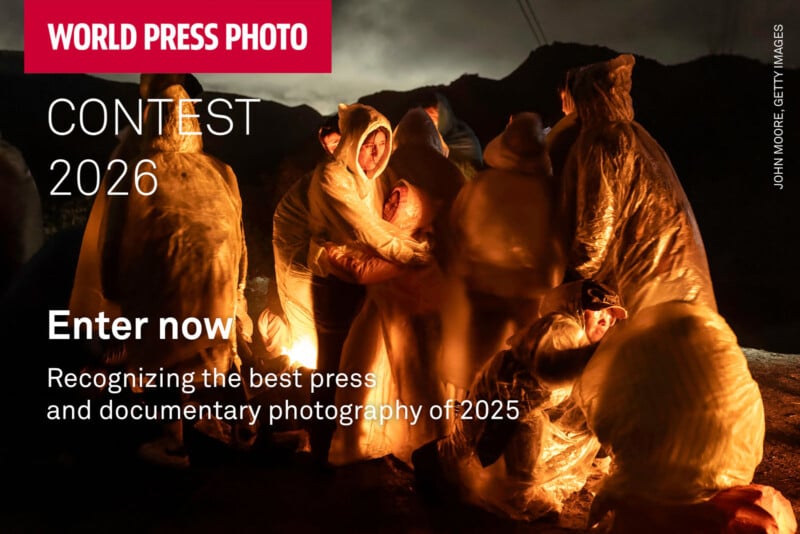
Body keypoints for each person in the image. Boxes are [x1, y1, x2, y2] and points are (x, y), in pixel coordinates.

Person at [413, 279, 627, 522]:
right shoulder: (562, 327)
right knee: (497, 469)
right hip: (509, 406)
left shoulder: (580, 340)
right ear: (576, 306)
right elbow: (551, 369)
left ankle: (442, 465)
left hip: (517, 408)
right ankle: (442, 470)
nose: (606, 319)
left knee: (470, 451)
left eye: (612, 315)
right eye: (599, 309)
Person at [305, 102, 432, 465]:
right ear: (352, 142)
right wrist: (417, 255)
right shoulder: (333, 176)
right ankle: (321, 446)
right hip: (333, 281)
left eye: (381, 146)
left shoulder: (372, 182)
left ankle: (351, 436)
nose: (375, 155)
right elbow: (367, 230)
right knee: (329, 364)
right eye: (368, 145)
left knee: (357, 362)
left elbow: (385, 227)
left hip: (363, 276)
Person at [561, 54, 717, 314]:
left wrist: (567, 277)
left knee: (640, 347)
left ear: (584, 98)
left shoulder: (603, 140)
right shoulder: (637, 135)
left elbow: (597, 228)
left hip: (645, 275)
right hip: (678, 274)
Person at [440, 112, 566, 401]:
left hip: (482, 289)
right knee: (518, 374)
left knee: (476, 370)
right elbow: (560, 240)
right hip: (530, 297)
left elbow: (456, 229)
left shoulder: (480, 186)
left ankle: (467, 426)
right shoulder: (551, 192)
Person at [417, 91, 484, 179]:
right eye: (425, 118)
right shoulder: (425, 137)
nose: (430, 123)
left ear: (443, 117)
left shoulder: (463, 138)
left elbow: (470, 174)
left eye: (433, 117)